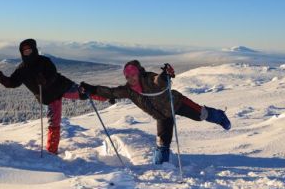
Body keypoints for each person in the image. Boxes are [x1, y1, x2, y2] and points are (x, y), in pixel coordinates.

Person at [79, 60, 231, 165]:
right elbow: (111, 92)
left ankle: (220, 116)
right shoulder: (128, 90)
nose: (131, 78)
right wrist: (91, 89)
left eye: (133, 74)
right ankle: (160, 167)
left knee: (202, 115)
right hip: (162, 116)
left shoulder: (149, 78)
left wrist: (165, 75)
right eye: (127, 76)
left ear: (139, 72)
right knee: (162, 143)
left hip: (176, 103)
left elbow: (159, 80)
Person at [0, 39, 107, 155]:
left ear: (34, 50)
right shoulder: (22, 69)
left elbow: (53, 74)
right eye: (24, 51)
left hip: (62, 86)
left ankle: (108, 97)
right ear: (21, 53)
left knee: (84, 93)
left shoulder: (44, 61)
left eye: (29, 50)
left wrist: (45, 81)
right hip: (49, 97)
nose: (27, 52)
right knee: (54, 124)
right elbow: (13, 82)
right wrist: (3, 79)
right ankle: (52, 152)